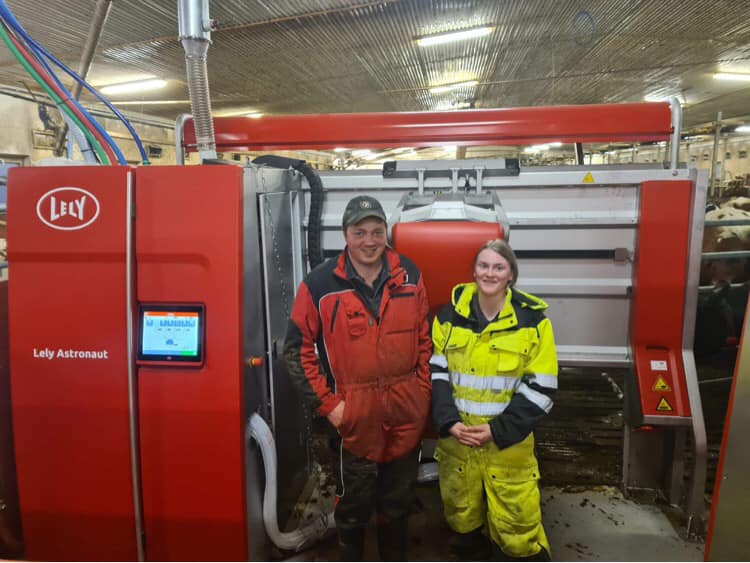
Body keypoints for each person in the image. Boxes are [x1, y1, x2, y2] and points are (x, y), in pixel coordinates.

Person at [284, 195, 432, 561]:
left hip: (405, 412)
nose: (369, 241)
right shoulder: (320, 284)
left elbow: (424, 340)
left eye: (377, 231)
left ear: (386, 233)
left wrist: (422, 392)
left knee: (398, 505)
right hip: (355, 418)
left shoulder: (410, 274)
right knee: (353, 508)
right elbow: (297, 352)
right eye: (359, 232)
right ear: (345, 235)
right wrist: (330, 407)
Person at [430, 239, 558, 561]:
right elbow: (437, 374)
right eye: (484, 266)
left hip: (507, 449)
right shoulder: (448, 318)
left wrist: (497, 431)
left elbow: (542, 389)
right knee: (462, 525)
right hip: (458, 445)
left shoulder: (534, 323)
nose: (490, 273)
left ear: (511, 275)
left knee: (518, 534)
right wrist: (449, 422)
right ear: (473, 272)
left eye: (499, 267)